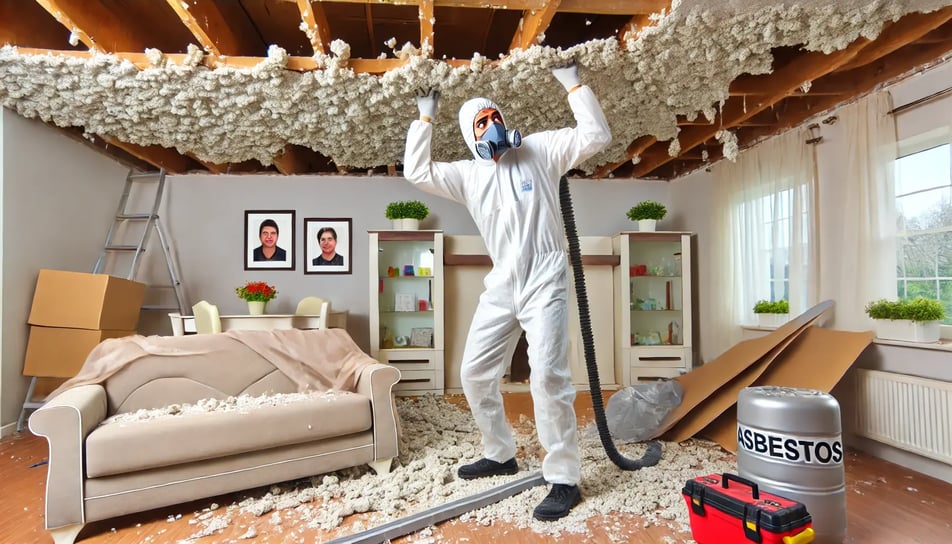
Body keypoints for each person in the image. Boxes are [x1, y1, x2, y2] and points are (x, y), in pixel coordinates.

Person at [402, 62, 611, 521]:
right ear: (470, 135)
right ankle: (500, 453)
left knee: (548, 378)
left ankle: (563, 478)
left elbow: (596, 136)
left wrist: (573, 83)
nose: (493, 124)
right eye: (482, 122)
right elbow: (416, 170)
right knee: (474, 373)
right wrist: (424, 117)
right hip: (502, 283)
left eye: (495, 116)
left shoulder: (540, 149)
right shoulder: (466, 175)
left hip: (546, 279)